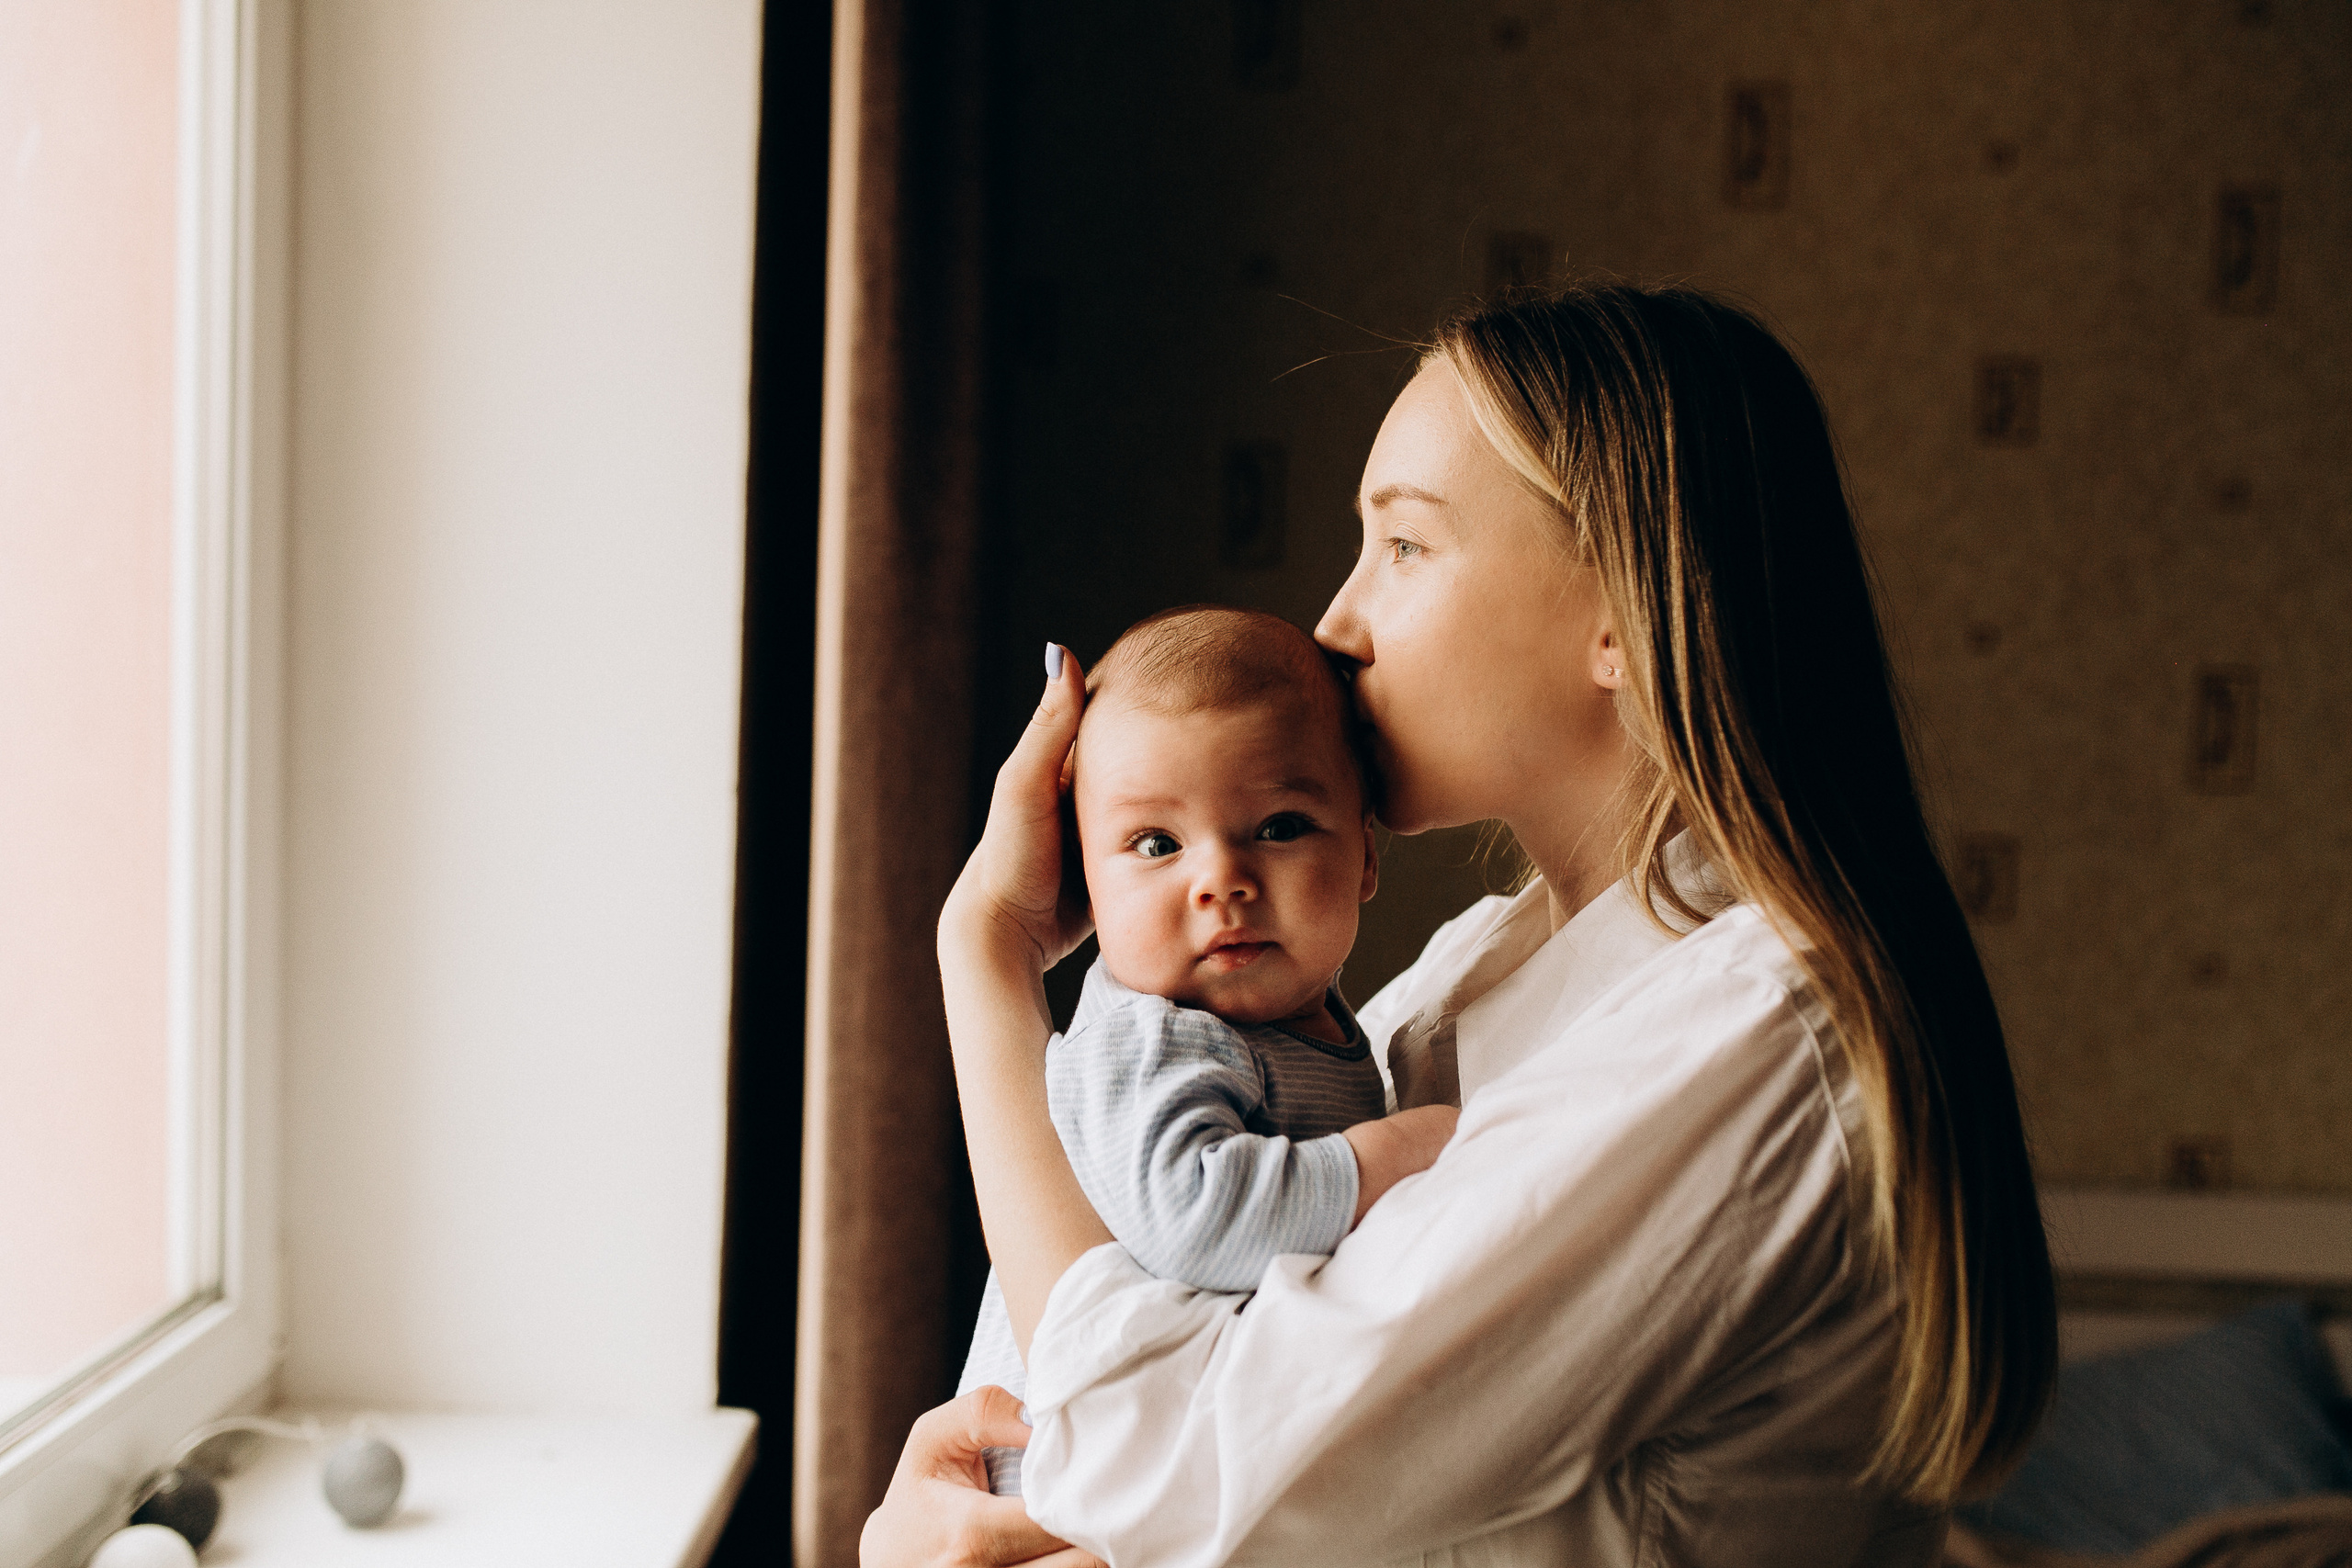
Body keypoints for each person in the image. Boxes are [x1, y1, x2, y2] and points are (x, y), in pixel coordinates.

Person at [865, 282, 2057, 1567]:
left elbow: (1171, 1472)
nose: (1335, 624)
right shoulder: (1486, 965)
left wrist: (985, 964)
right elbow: (1205, 1394)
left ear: (1622, 616)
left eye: (1407, 545)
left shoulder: (1751, 1028)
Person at [954, 604, 1459, 1497]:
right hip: (1054, 1506)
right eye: (1154, 844)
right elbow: (1197, 1218)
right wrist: (1400, 1153)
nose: (1219, 878)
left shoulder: (1302, 1026)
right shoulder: (1149, 1040)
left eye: (1279, 826)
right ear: (1084, 882)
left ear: (1365, 857)